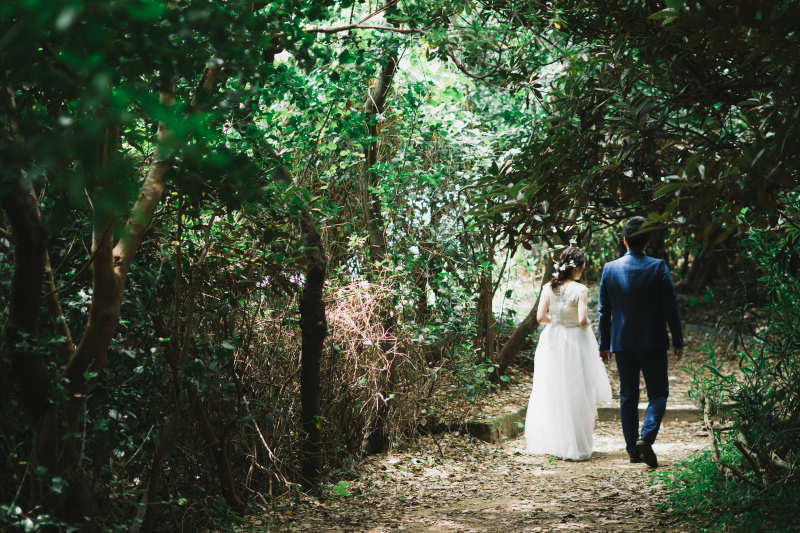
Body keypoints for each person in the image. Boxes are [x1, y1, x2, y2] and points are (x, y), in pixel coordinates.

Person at [598, 217, 684, 468]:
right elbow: (671, 307)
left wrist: (604, 344)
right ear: (647, 241)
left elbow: (604, 312)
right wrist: (677, 339)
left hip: (622, 341)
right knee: (658, 393)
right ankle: (645, 437)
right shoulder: (658, 266)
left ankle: (632, 450)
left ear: (624, 241)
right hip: (653, 341)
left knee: (628, 396)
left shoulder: (609, 269)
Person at [524, 247, 612, 461]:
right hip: (575, 341)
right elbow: (582, 321)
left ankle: (556, 443)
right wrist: (586, 323)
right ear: (579, 267)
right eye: (583, 266)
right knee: (578, 390)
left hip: (552, 340)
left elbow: (539, 318)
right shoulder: (580, 289)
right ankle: (577, 445)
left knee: (554, 389)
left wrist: (557, 322)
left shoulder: (548, 288)